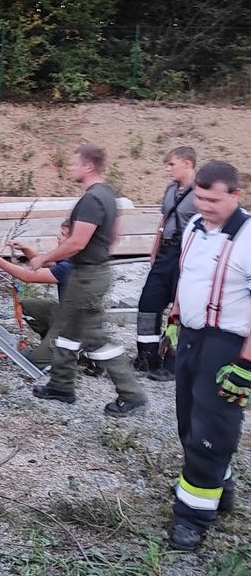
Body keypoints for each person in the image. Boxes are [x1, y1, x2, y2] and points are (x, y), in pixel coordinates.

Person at [27, 144, 148, 417]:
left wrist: (43, 258)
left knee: (94, 338)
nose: (70, 168)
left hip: (87, 276)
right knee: (69, 333)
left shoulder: (92, 199)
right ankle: (61, 386)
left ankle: (132, 394)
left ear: (88, 166)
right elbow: (114, 236)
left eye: (74, 163)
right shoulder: (108, 196)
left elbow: (77, 242)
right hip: (91, 273)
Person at [167, 161, 251, 551]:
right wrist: (176, 317)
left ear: (235, 195)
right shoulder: (195, 229)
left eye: (212, 199)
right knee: (188, 420)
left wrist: (245, 364)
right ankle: (220, 485)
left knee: (210, 432)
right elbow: (189, 277)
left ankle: (193, 518)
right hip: (192, 337)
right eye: (199, 197)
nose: (203, 205)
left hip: (227, 345)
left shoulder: (249, 237)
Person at [135, 146, 198, 381]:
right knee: (148, 304)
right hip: (165, 253)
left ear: (187, 164)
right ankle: (147, 357)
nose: (168, 169)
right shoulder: (170, 189)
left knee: (179, 310)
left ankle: (172, 364)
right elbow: (163, 221)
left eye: (172, 164)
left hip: (186, 254)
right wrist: (154, 249)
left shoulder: (200, 193)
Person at [0, 220, 73, 370]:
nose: (58, 237)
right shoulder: (71, 256)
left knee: (34, 363)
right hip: (66, 313)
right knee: (27, 306)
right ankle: (54, 342)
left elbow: (29, 276)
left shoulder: (71, 266)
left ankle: (67, 351)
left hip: (76, 323)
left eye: (63, 234)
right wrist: (26, 249)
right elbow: (47, 263)